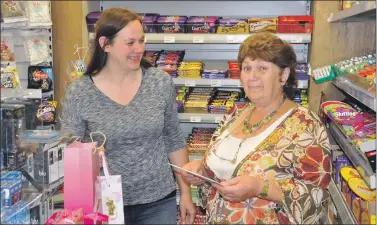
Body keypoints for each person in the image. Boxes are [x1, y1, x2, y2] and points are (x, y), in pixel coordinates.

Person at [60, 7, 196, 224]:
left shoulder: (158, 83)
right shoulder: (80, 92)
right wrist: (89, 150)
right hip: (103, 206)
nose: (139, 49)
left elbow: (173, 139)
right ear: (106, 44)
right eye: (130, 43)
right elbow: (70, 150)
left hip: (158, 202)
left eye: (142, 40)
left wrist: (185, 192)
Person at [181, 33, 331, 224]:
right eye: (247, 68)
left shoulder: (305, 124)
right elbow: (219, 171)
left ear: (283, 75)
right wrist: (200, 172)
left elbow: (316, 195)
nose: (252, 77)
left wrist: (260, 187)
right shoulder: (235, 113)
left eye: (262, 68)